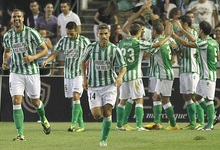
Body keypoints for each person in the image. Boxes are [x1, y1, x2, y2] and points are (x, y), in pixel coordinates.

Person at [2, 9, 51, 141]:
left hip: (31, 72)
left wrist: (33, 57)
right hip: (16, 72)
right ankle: (20, 134)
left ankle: (43, 118)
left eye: (19, 16)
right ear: (12, 19)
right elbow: (6, 51)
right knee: (16, 100)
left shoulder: (31, 33)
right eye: (14, 17)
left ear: (23, 18)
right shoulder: (8, 36)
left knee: (35, 101)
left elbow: (45, 49)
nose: (16, 19)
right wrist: (5, 61)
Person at [116, 23, 172, 131]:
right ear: (138, 32)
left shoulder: (122, 43)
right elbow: (157, 44)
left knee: (122, 100)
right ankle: (139, 126)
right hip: (135, 76)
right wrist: (168, 36)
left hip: (124, 75)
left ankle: (119, 125)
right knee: (139, 100)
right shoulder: (139, 43)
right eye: (141, 31)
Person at [81, 23, 127, 146]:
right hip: (94, 86)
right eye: (101, 34)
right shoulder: (91, 47)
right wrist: (84, 78)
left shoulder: (114, 49)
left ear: (109, 34)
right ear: (97, 35)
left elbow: (123, 66)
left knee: (108, 111)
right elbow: (82, 61)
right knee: (96, 115)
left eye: (105, 34)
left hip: (109, 85)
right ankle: (103, 118)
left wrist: (120, 77)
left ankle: (103, 140)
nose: (103, 36)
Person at [42, 21, 90, 132]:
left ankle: (73, 124)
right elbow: (55, 53)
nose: (69, 36)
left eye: (71, 34)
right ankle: (81, 125)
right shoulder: (63, 40)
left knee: (76, 95)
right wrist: (47, 60)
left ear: (76, 31)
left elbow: (91, 54)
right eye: (68, 33)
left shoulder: (84, 41)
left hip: (79, 73)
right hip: (68, 74)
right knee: (74, 98)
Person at [172, 21, 220, 130]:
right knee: (198, 97)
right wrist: (203, 55)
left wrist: (175, 35)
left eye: (199, 29)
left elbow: (187, 44)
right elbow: (217, 57)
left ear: (201, 31)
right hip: (203, 75)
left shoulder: (204, 43)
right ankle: (213, 117)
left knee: (209, 100)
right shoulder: (214, 42)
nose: (197, 30)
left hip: (208, 75)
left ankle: (210, 124)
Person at [174, 15, 202, 130]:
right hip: (183, 69)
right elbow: (182, 52)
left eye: (180, 23)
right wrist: (176, 48)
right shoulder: (183, 36)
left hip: (192, 69)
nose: (178, 25)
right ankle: (193, 122)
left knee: (193, 95)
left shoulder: (193, 34)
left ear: (185, 23)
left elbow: (192, 42)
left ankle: (201, 121)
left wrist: (177, 33)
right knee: (186, 96)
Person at [57, 0, 81, 75]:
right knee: (61, 62)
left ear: (69, 7)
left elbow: (79, 30)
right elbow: (58, 28)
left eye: (64, 7)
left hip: (73, 42)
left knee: (72, 62)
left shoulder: (74, 16)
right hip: (62, 41)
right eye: (61, 7)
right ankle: (61, 79)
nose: (63, 8)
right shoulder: (59, 16)